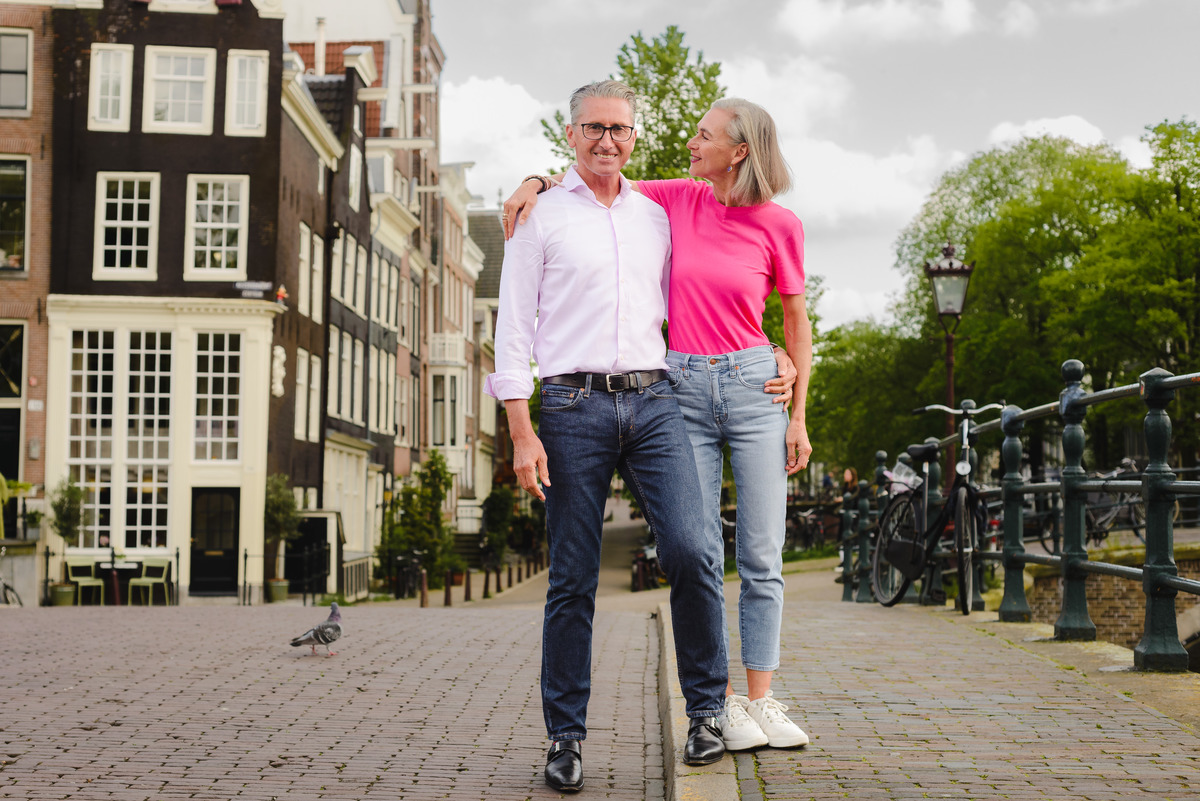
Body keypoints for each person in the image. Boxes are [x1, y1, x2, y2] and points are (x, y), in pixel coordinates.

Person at [505, 96, 813, 753]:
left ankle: (735, 706)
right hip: (628, 393)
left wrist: (790, 382)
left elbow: (785, 316)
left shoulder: (732, 219)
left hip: (707, 390)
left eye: (705, 136)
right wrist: (533, 180)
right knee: (628, 563)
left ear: (739, 152)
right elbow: (591, 182)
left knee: (728, 552)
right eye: (596, 128)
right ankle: (620, 725)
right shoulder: (647, 202)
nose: (692, 143)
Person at [485, 80, 734, 793]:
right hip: (569, 404)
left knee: (693, 548)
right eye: (593, 128)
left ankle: (707, 711)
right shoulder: (539, 216)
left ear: (634, 136)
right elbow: (513, 332)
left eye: (619, 129)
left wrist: (768, 349)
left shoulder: (658, 214)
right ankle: (565, 736)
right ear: (570, 135)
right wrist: (521, 430)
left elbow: (716, 285)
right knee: (572, 576)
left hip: (655, 400)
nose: (607, 141)